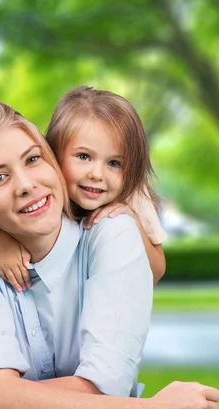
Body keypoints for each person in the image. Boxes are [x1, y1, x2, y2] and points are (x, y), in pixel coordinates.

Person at [0, 101, 219, 409]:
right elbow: (1, 398)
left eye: (32, 159)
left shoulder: (114, 229)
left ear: (51, 161)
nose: (26, 185)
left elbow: (105, 388)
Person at [46, 86, 167, 285]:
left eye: (114, 163)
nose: (97, 174)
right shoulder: (41, 190)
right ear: (54, 153)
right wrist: (0, 241)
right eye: (84, 156)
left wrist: (133, 221)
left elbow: (156, 272)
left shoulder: (132, 194)